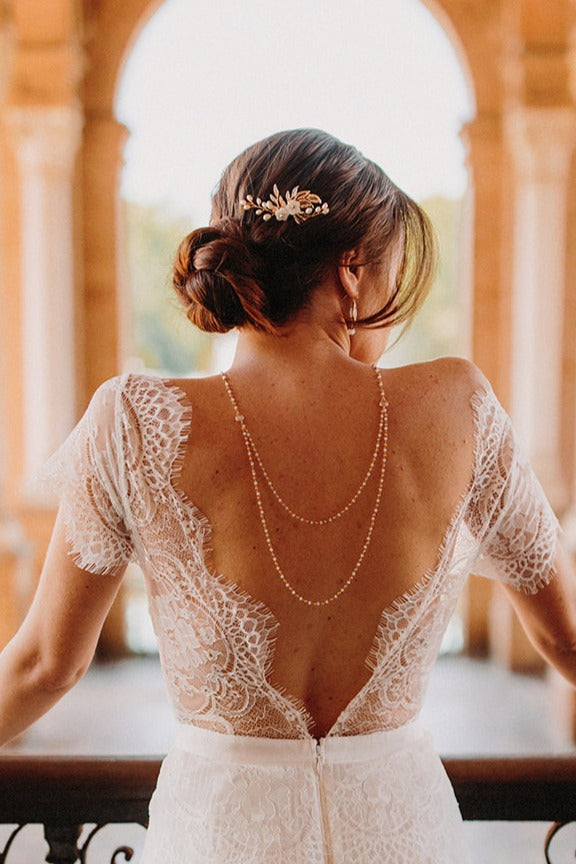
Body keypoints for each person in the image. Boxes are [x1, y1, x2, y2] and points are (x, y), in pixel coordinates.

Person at [0, 128, 575, 863]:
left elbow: (46, 664)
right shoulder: (458, 407)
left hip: (218, 841)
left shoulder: (132, 422)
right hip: (404, 838)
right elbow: (567, 636)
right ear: (351, 272)